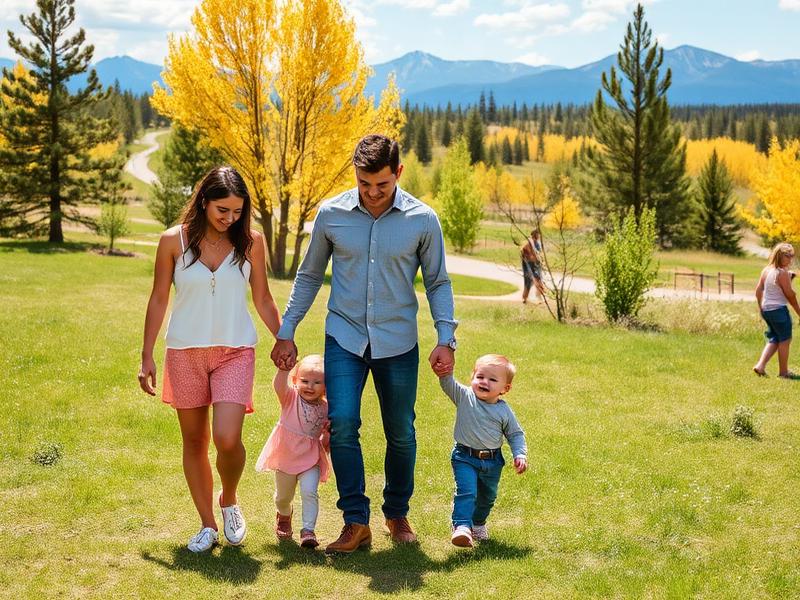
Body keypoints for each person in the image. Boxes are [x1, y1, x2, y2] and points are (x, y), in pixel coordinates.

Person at [271, 134, 458, 554]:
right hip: (345, 337)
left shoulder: (422, 220)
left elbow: (438, 282)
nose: (373, 194)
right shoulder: (332, 214)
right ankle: (356, 522)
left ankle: (396, 513)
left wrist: (446, 337)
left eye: (383, 185)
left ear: (399, 174)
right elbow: (308, 275)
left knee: (401, 432)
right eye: (364, 183)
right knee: (342, 425)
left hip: (398, 341)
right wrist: (288, 328)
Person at [138, 166, 282, 553]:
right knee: (195, 440)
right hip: (185, 351)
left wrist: (283, 337)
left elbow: (263, 299)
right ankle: (207, 524)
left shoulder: (251, 242)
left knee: (227, 438)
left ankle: (229, 499)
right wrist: (147, 354)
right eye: (222, 210)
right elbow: (158, 299)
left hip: (235, 350)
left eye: (236, 211)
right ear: (203, 202)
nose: (229, 218)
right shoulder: (173, 241)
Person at [438, 354, 527, 548]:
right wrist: (444, 370)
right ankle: (461, 526)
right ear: (472, 378)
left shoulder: (504, 411)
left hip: (492, 462)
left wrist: (520, 453)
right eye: (480, 377)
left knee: (487, 497)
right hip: (464, 457)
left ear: (505, 389)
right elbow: (447, 383)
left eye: (492, 379)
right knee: (467, 491)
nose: (484, 382)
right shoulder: (464, 396)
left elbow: (515, 434)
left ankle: (478, 524)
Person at [255, 354, 330, 549]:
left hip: (310, 458)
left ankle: (308, 531)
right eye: (304, 381)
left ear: (325, 386)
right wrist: (283, 369)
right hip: (286, 457)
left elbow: (325, 439)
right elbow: (279, 386)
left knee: (309, 492)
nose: (310, 386)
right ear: (295, 381)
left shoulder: (326, 408)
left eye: (317, 382)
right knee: (283, 497)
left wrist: (327, 436)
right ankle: (284, 515)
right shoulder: (291, 398)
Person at [753, 242, 800, 379]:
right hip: (779, 310)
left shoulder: (767, 270)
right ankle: (784, 373)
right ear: (780, 255)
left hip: (767, 309)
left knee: (775, 338)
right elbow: (790, 295)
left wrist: (761, 308)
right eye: (788, 256)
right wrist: (798, 312)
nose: (791, 259)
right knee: (785, 340)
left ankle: (760, 366)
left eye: (792, 256)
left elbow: (758, 291)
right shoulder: (782, 273)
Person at [521, 230, 545, 304]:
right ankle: (525, 298)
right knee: (529, 281)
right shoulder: (528, 244)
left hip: (536, 264)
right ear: (534, 235)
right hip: (530, 265)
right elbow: (524, 253)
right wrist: (531, 257)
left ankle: (539, 297)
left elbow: (539, 253)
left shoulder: (537, 243)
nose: (538, 236)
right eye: (537, 235)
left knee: (539, 279)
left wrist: (541, 261)